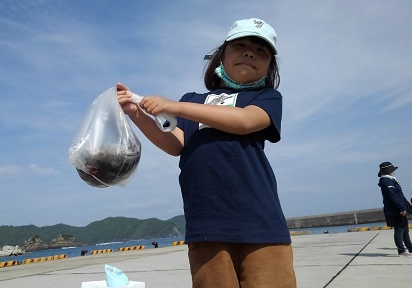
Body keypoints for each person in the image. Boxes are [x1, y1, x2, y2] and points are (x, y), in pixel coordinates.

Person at [117, 17, 296, 288]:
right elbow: (176, 144)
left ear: (269, 66)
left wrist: (175, 107)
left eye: (261, 51)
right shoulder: (193, 100)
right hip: (205, 224)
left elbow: (245, 121)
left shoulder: (266, 98)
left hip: (260, 222)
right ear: (220, 57)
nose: (250, 53)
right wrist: (136, 114)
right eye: (241, 46)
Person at [377, 162, 412, 257]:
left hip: (399, 207)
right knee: (399, 229)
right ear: (388, 171)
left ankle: (411, 248)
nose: (394, 172)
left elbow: (399, 195)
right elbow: (393, 196)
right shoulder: (386, 181)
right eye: (392, 170)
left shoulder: (391, 180)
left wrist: (406, 206)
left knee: (405, 229)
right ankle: (401, 251)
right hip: (395, 210)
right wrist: (401, 208)